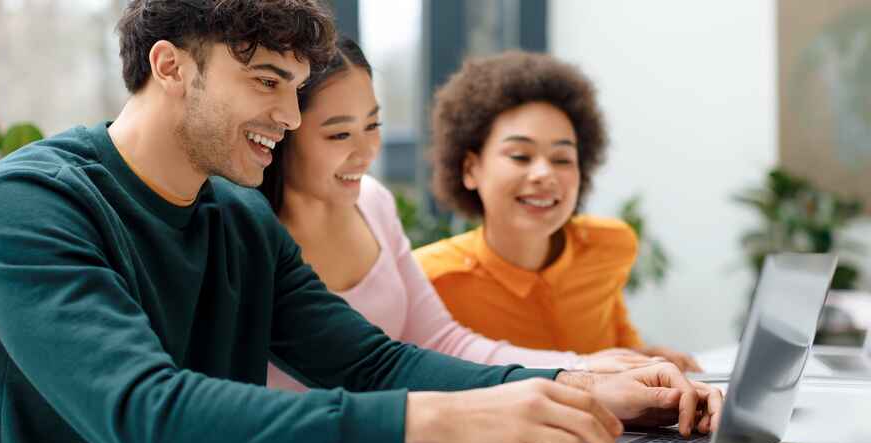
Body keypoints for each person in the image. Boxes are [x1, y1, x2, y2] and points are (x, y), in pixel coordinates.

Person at [0, 2, 719, 443]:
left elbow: (373, 361)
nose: (290, 116)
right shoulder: (30, 206)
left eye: (296, 88)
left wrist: (579, 394)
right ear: (170, 66)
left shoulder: (236, 218)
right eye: (268, 82)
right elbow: (147, 417)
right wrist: (435, 422)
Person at [258, 37, 662, 389]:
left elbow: (441, 342)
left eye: (374, 125)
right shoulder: (245, 230)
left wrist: (583, 367)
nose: (367, 153)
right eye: (339, 134)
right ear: (283, 129)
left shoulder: (375, 203)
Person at [414, 52, 702, 372]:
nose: (544, 174)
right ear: (471, 168)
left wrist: (647, 360)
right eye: (521, 156)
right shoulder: (431, 279)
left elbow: (619, 346)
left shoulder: (609, 245)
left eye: (562, 159)